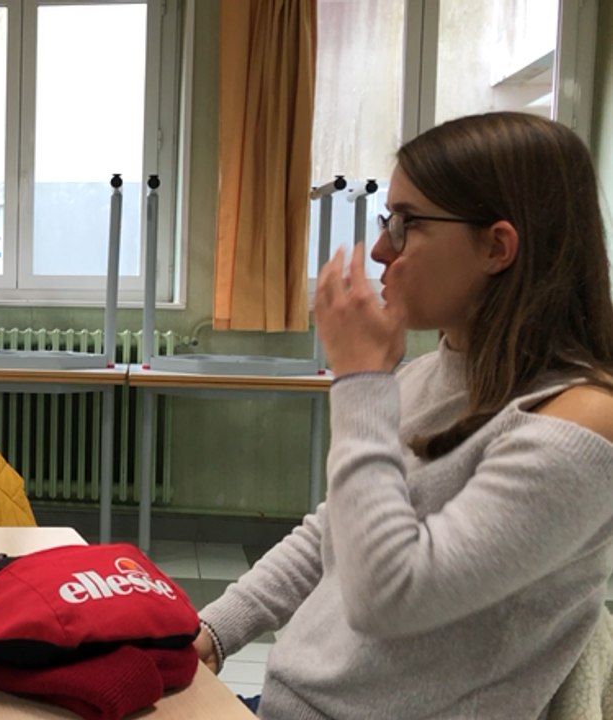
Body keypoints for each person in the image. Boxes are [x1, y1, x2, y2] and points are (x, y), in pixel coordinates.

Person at [194, 112, 613, 718]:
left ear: (497, 246)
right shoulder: (432, 371)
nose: (383, 249)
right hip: (291, 705)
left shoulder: (580, 424)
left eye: (407, 224)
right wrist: (214, 631)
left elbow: (389, 596)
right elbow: (332, 532)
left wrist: (361, 379)